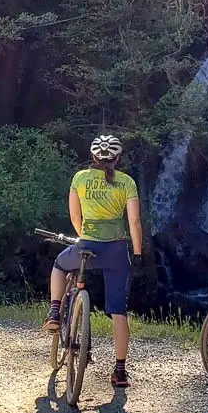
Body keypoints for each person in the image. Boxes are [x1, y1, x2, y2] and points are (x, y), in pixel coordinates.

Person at [43, 135, 144, 388]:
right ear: (117, 159)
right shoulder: (127, 183)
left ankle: (55, 312)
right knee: (118, 312)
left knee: (59, 266)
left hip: (86, 245)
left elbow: (75, 217)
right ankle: (120, 372)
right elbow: (134, 222)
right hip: (117, 251)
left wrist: (84, 238)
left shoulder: (80, 179)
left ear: (94, 157)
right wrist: (139, 253)